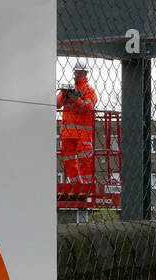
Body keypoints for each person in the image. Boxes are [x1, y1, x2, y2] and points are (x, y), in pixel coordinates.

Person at [59, 63, 98, 199]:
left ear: (85, 74)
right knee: (69, 159)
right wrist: (64, 95)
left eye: (80, 72)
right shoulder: (70, 89)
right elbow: (57, 103)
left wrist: (77, 100)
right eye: (76, 72)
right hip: (67, 132)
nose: (77, 75)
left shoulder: (89, 90)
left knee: (85, 159)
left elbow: (89, 107)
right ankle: (76, 184)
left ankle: (86, 185)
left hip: (83, 133)